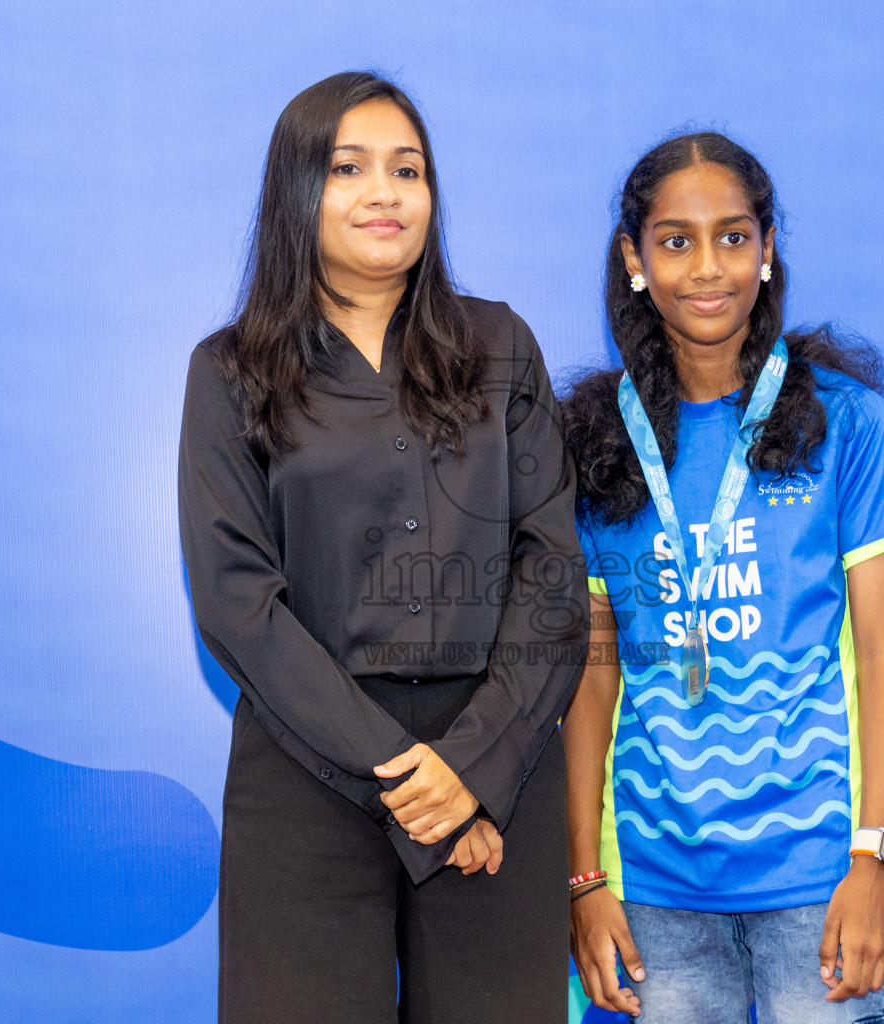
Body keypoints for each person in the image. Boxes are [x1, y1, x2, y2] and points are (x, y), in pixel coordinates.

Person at [178, 71, 586, 1024]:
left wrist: (474, 771)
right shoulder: (230, 372)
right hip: (306, 771)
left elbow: (553, 574)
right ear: (295, 192)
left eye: (408, 169)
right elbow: (239, 602)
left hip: (496, 775)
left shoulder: (500, 345)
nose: (384, 193)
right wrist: (413, 782)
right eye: (348, 167)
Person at [561, 132, 884, 1023]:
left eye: (733, 236)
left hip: (821, 879)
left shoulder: (844, 423)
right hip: (654, 895)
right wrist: (583, 879)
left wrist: (877, 861)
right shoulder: (596, 445)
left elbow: (882, 656)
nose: (707, 266)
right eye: (675, 240)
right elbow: (591, 677)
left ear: (767, 250)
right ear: (634, 259)